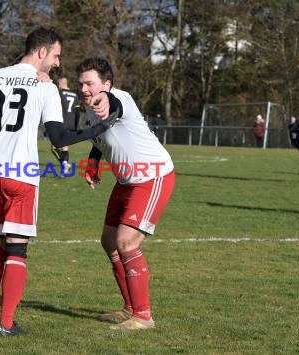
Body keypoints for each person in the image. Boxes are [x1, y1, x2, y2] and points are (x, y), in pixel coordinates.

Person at [0, 27, 113, 336]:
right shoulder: (46, 87)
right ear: (42, 52)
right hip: (21, 177)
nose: (56, 63)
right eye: (55, 55)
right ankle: (7, 323)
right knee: (17, 249)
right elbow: (58, 136)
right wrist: (97, 130)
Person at [76, 57, 175, 331]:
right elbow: (101, 137)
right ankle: (129, 308)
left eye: (90, 83)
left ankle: (143, 316)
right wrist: (93, 162)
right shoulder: (89, 110)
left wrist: (107, 99)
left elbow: (114, 108)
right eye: (81, 83)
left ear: (106, 84)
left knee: (126, 242)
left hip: (152, 177)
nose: (84, 88)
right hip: (126, 181)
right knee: (109, 241)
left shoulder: (120, 98)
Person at [50, 76, 81, 175]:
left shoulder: (59, 93)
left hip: (60, 123)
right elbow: (77, 112)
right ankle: (65, 167)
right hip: (71, 124)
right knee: (65, 146)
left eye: (58, 84)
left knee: (54, 148)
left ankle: (64, 163)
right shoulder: (75, 95)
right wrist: (76, 127)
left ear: (61, 83)